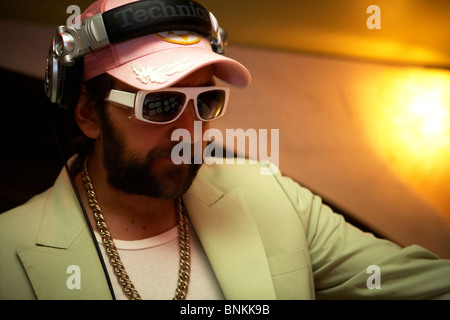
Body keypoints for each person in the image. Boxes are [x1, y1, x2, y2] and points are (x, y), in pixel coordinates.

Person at [0, 0, 449, 300]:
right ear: (89, 115)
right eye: (161, 103)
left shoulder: (272, 197)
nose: (190, 129)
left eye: (206, 101)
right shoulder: (9, 251)